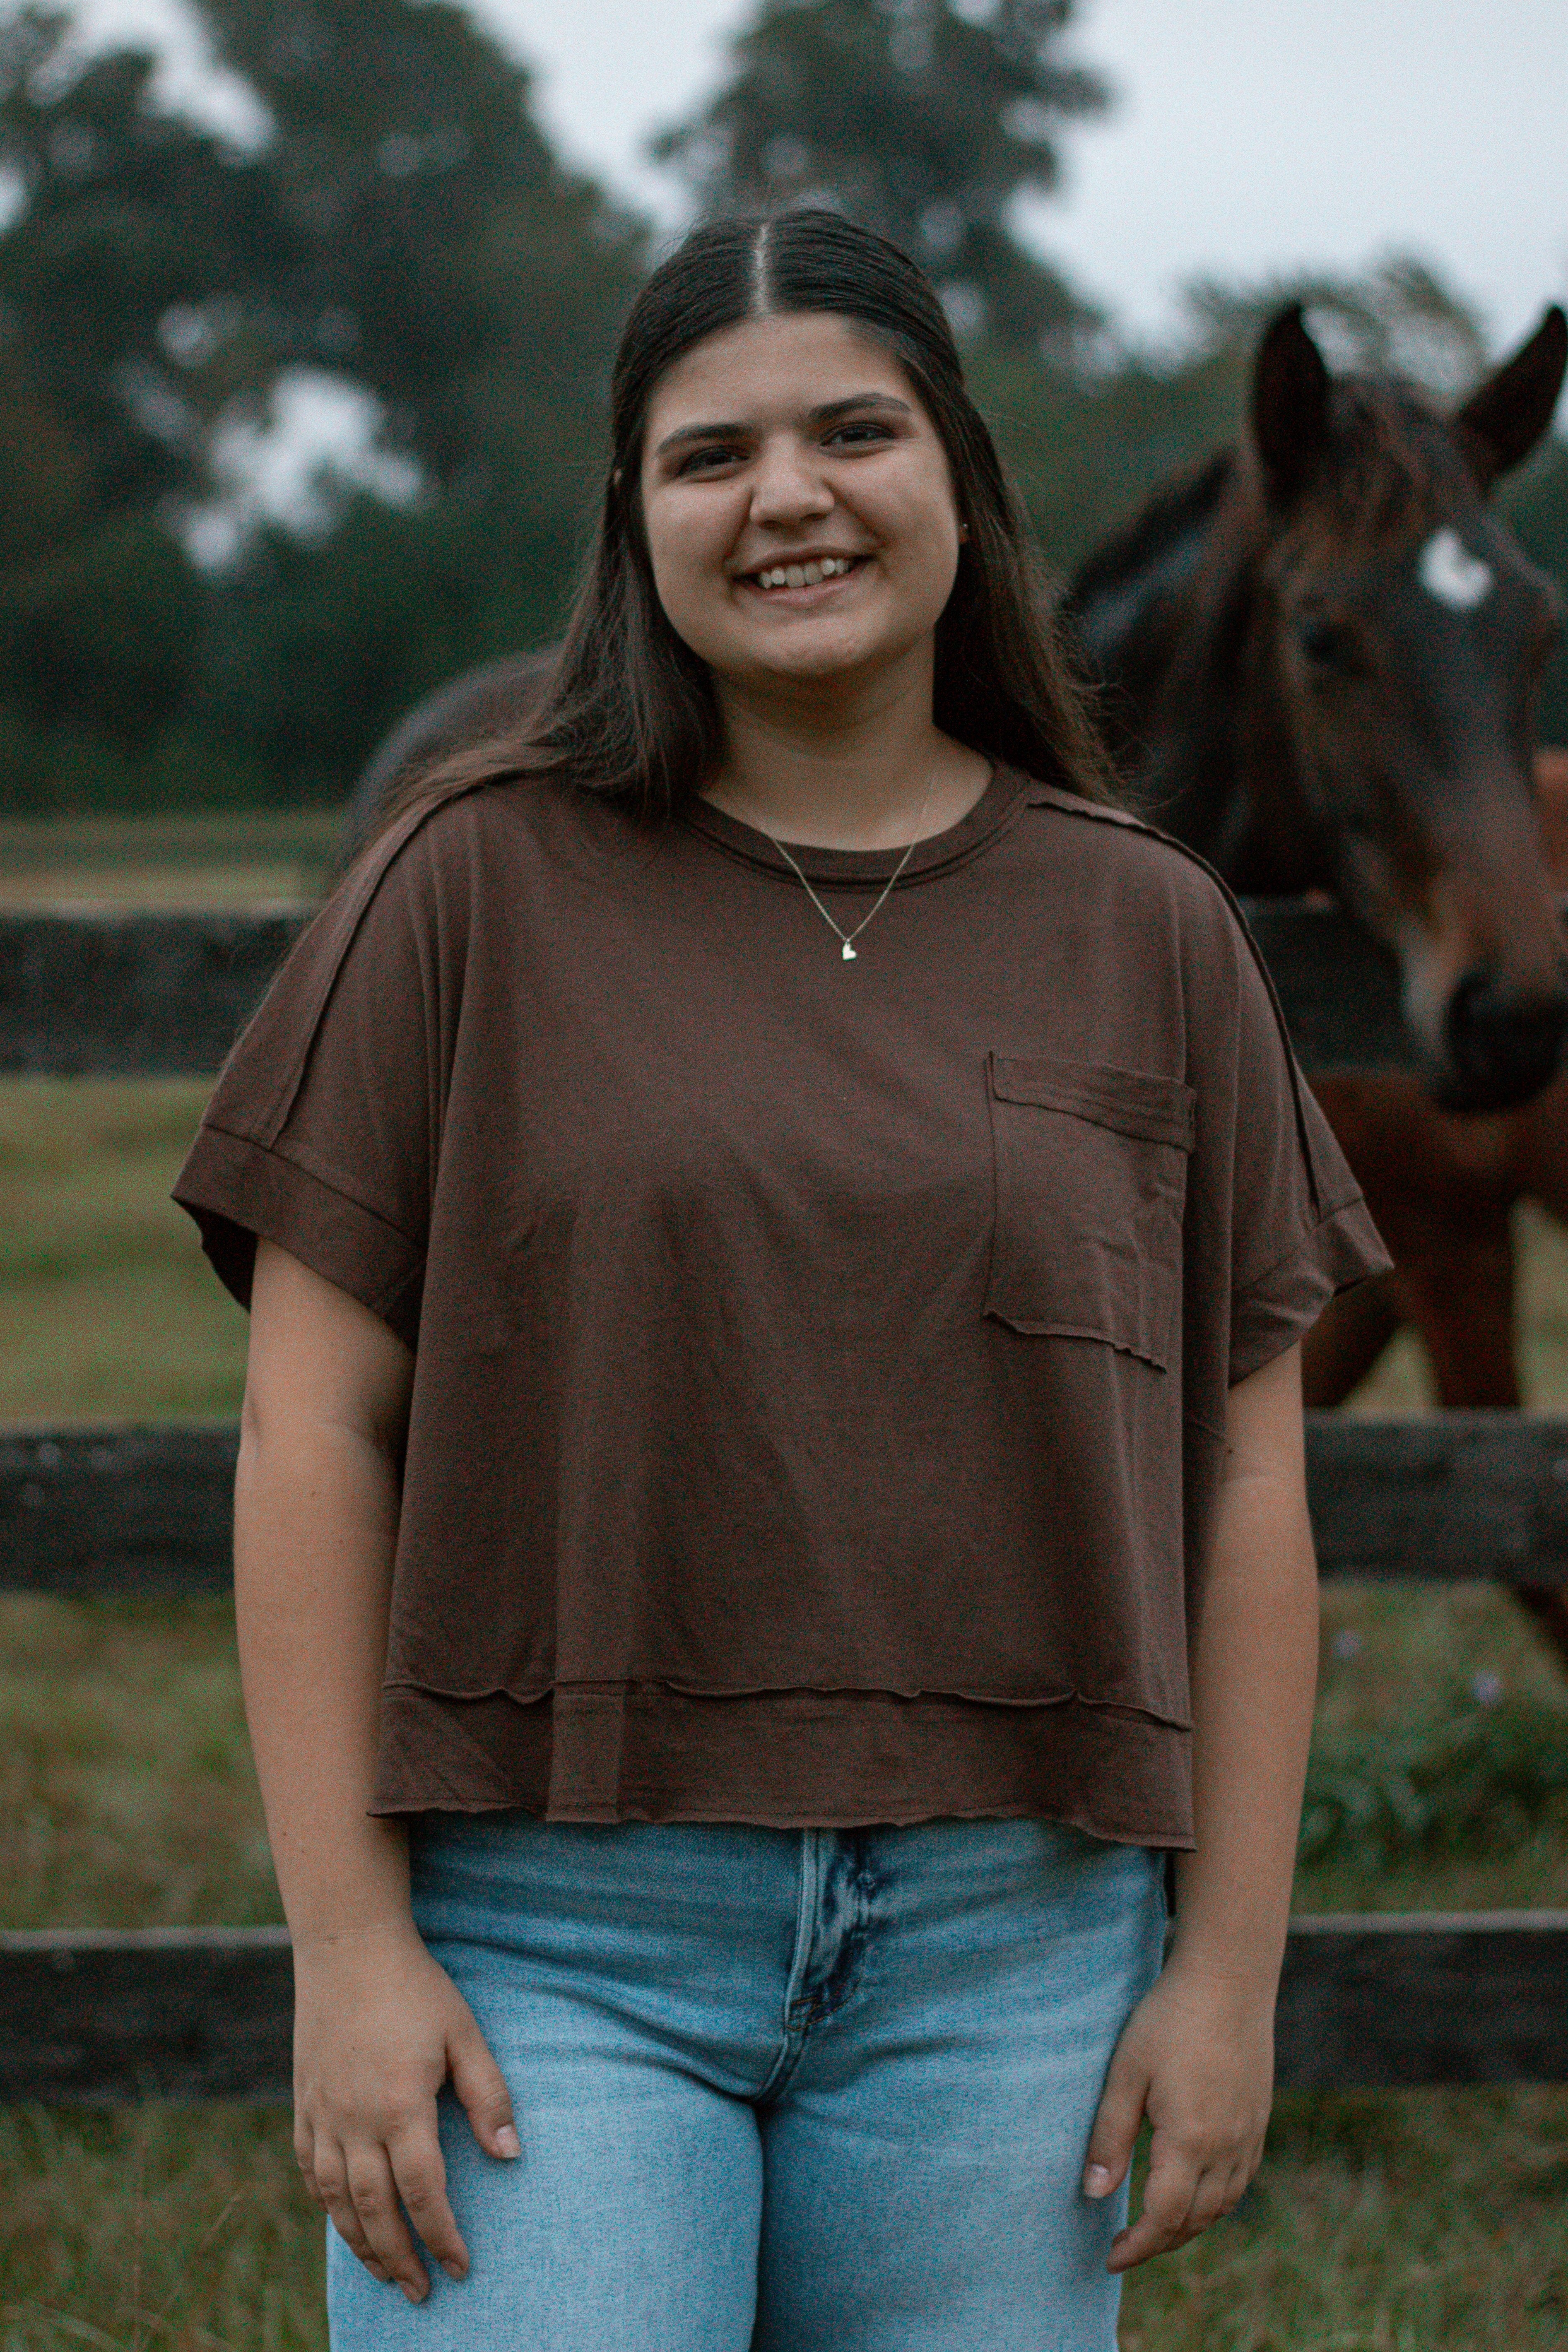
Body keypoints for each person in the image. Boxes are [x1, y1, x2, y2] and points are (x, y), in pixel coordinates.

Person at [173, 208, 1390, 2352]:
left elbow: (1252, 1497)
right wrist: (349, 1949)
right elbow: (309, 1432)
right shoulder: (467, 886)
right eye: (709, 453)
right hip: (556, 1940)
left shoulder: (1151, 930)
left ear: (960, 482)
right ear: (633, 518)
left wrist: (1227, 1972)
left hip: (1016, 1964)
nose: (791, 496)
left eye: (855, 429)